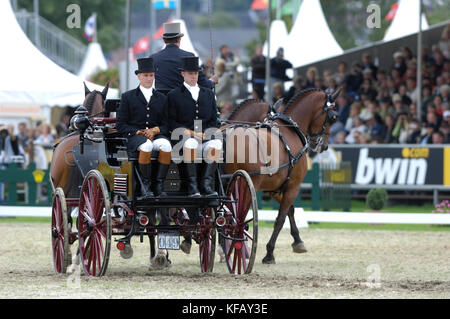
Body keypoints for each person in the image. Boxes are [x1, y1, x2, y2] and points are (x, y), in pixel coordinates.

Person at [117, 57, 172, 199]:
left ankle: (158, 184)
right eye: (146, 75)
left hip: (156, 135)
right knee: (146, 146)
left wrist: (154, 130)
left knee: (166, 145)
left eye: (151, 75)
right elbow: (121, 125)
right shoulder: (128, 97)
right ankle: (145, 185)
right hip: (135, 137)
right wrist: (139, 132)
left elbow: (167, 124)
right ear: (139, 76)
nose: (149, 78)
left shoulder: (162, 98)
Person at [168, 56, 221, 197]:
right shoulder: (174, 95)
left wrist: (205, 133)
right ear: (183, 74)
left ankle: (206, 184)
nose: (193, 76)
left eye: (195, 73)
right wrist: (190, 133)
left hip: (204, 137)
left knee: (216, 144)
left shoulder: (208, 94)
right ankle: (192, 185)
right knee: (191, 142)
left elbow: (213, 120)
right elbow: (172, 122)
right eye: (190, 73)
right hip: (182, 139)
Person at [150, 22, 217, 95]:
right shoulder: (189, 56)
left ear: (164, 40)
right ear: (179, 39)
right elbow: (203, 83)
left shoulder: (153, 58)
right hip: (182, 101)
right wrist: (212, 81)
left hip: (161, 102)